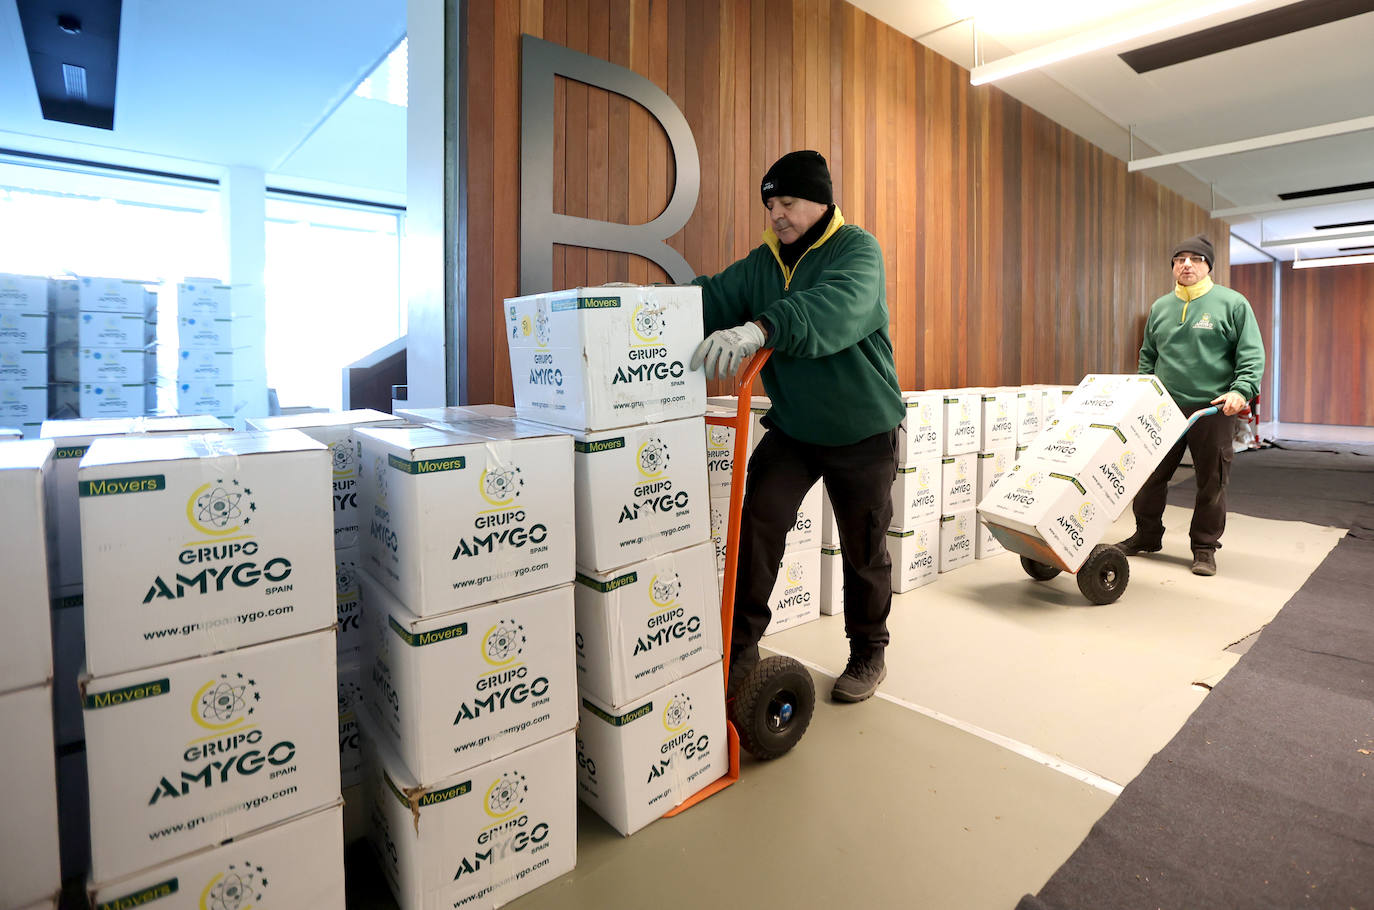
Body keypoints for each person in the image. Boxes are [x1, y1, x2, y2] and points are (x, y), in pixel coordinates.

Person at [689, 150, 905, 703]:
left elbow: (834, 309)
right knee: (757, 525)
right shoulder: (763, 263)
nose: (776, 214)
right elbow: (712, 297)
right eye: (769, 203)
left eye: (787, 202)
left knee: (864, 549)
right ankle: (737, 650)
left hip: (862, 429)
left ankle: (868, 651)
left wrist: (763, 327)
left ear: (820, 200)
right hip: (796, 429)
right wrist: (648, 311)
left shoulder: (856, 249)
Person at [1116, 233, 1265, 576]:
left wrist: (1241, 390)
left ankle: (1204, 547)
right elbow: (1148, 355)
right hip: (1163, 408)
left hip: (1212, 407)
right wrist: (1143, 389)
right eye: (1179, 259)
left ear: (1208, 266)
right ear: (1172, 266)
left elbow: (1251, 354)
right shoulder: (1160, 307)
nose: (1186, 265)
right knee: (1150, 476)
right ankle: (1147, 535)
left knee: (1211, 480)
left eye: (1195, 259)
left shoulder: (1232, 304)